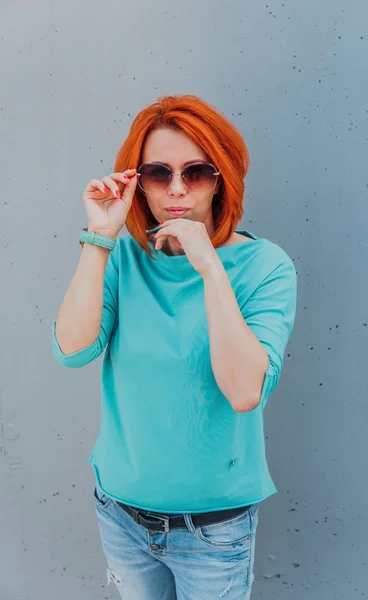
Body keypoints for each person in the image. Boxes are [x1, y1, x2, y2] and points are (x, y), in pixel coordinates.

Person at [52, 94, 297, 599]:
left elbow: (244, 390)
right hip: (120, 513)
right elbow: (72, 350)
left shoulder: (267, 268)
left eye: (198, 172)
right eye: (159, 173)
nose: (178, 189)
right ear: (137, 182)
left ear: (222, 177)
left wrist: (208, 265)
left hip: (214, 528)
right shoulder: (122, 258)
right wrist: (100, 237)